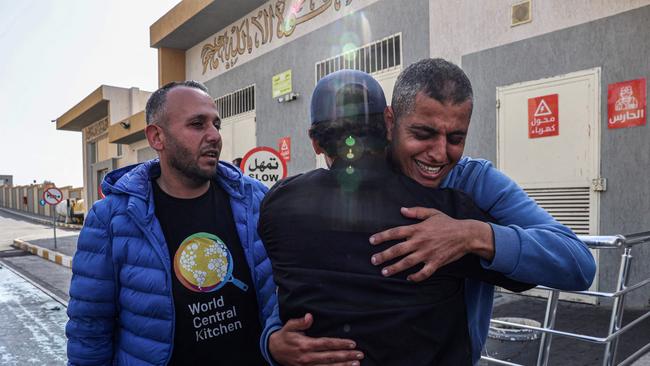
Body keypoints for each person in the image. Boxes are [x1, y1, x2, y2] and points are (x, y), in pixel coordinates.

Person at [260, 70, 533, 365]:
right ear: (389, 124)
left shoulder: (279, 204)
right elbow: (524, 277)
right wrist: (473, 235)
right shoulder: (441, 211)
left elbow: (288, 284)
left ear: (315, 142)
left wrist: (272, 339)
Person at [365, 58, 597, 363]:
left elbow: (578, 264)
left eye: (456, 138)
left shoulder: (476, 181)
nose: (439, 153)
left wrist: (472, 235)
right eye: (423, 134)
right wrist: (277, 339)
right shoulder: (358, 178)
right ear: (390, 122)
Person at [66, 81, 277, 365]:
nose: (214, 136)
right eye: (197, 124)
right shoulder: (112, 219)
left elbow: (281, 293)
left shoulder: (254, 200)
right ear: (157, 137)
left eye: (216, 124)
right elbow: (89, 328)